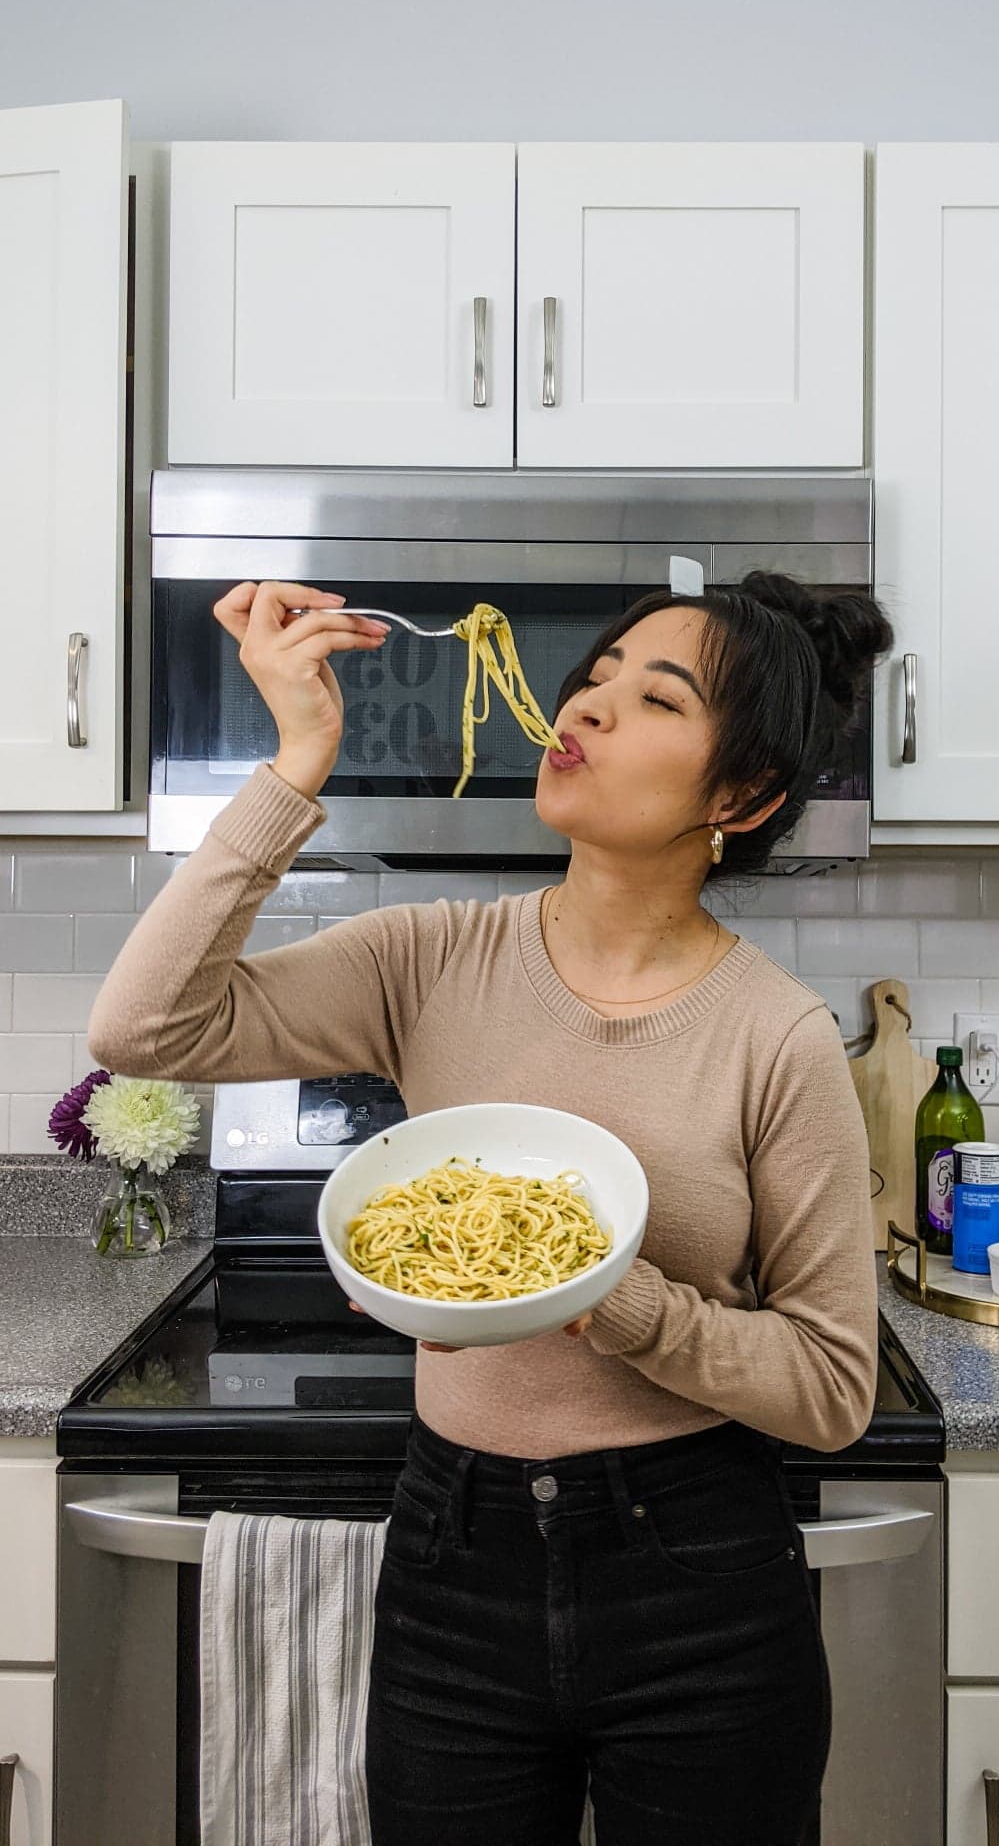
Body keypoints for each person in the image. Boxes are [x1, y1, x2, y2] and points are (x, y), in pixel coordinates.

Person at [88, 568, 894, 1846]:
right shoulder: (427, 958)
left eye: (655, 696)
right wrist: (299, 758)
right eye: (597, 673)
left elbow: (832, 1386)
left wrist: (607, 1297)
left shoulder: (773, 1038)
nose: (590, 703)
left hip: (696, 1577)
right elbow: (143, 1025)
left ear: (736, 798)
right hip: (451, 1560)